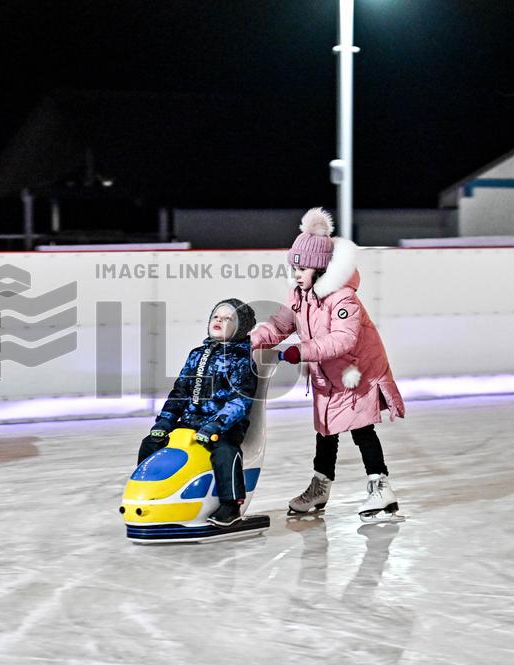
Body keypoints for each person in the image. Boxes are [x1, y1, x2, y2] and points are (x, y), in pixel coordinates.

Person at [252, 208, 406, 523]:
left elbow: (343, 340)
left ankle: (381, 488)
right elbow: (281, 324)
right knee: (326, 433)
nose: (296, 274)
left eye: (303, 267)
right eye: (294, 267)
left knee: (362, 430)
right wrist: (251, 340)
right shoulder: (300, 296)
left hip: (356, 373)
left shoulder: (343, 299)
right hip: (327, 376)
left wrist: (300, 351)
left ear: (320, 267)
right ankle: (320, 487)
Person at [137, 298, 258, 527]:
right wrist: (164, 422)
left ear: (240, 327)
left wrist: (215, 425)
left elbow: (240, 402)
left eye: (228, 318)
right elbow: (180, 391)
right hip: (190, 422)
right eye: (216, 316)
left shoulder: (241, 361)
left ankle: (231, 505)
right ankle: (151, 495)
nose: (220, 321)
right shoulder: (196, 354)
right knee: (151, 444)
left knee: (225, 452)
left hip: (224, 426)